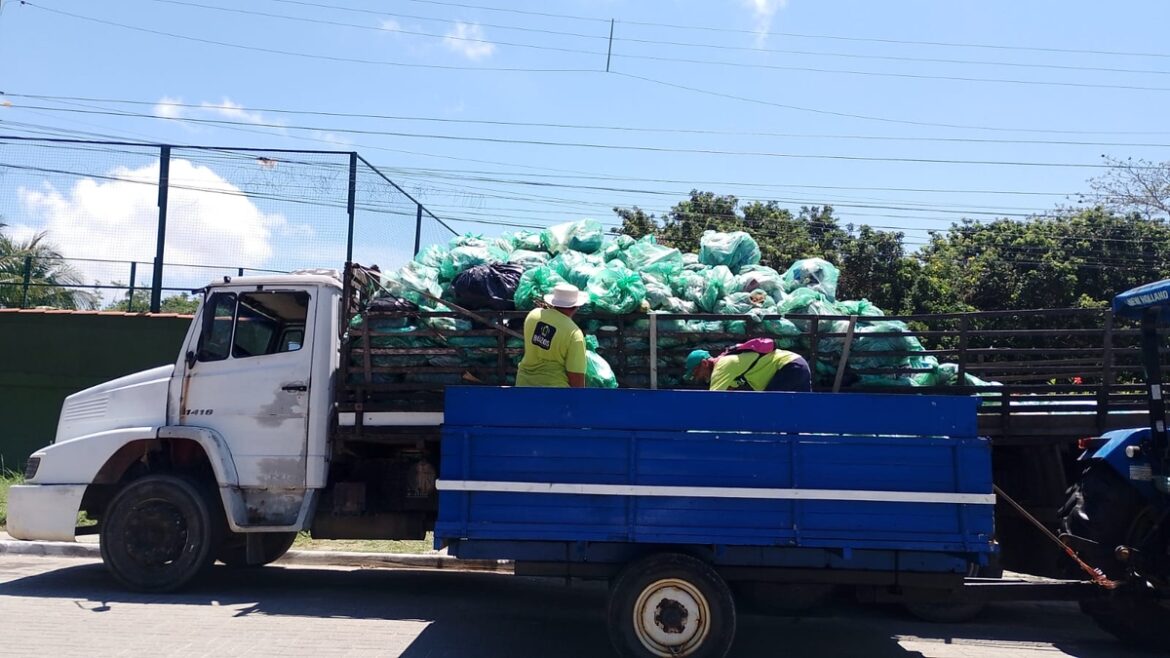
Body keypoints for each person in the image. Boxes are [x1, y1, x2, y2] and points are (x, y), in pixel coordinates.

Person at [515, 283, 590, 388]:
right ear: (576, 306)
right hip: (555, 394)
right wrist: (578, 401)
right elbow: (575, 376)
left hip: (524, 385)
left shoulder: (533, 315)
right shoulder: (574, 334)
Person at [684, 345, 812, 392]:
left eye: (696, 372)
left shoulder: (721, 367)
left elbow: (712, 401)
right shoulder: (727, 369)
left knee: (771, 405)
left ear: (705, 363)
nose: (697, 378)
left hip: (788, 366)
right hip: (798, 364)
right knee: (802, 410)